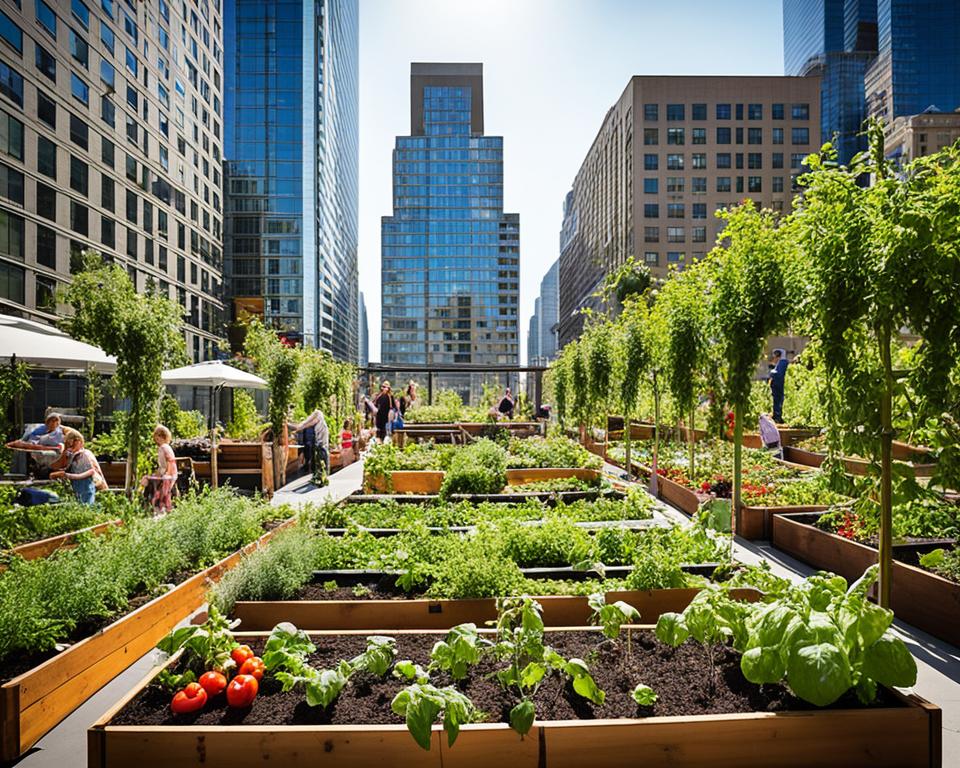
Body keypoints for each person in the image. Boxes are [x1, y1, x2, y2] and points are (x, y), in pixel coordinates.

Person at [50, 431, 105, 505]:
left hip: (87, 487)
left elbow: (92, 471)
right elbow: (55, 466)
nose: (71, 444)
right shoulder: (72, 454)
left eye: (74, 441)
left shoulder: (84, 454)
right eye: (68, 442)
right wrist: (64, 452)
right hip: (79, 487)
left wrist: (66, 475)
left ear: (80, 441)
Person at [140, 425, 178, 514]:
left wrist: (167, 474)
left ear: (161, 436)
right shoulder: (165, 447)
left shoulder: (164, 447)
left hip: (168, 476)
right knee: (147, 478)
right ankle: (149, 505)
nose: (156, 441)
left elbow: (170, 462)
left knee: (149, 481)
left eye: (157, 438)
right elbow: (162, 466)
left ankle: (152, 505)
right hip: (167, 474)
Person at [294, 410, 330, 485]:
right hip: (319, 445)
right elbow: (308, 423)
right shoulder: (320, 421)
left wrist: (301, 427)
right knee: (317, 462)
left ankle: (322, 478)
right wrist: (300, 426)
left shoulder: (320, 421)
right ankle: (319, 477)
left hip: (322, 445)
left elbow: (310, 423)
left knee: (321, 461)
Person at [769, 349, 789, 424]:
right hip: (777, 384)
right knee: (777, 400)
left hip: (778, 385)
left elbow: (778, 374)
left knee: (778, 400)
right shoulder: (781, 363)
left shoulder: (782, 363)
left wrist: (772, 373)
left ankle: (777, 416)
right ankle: (776, 415)